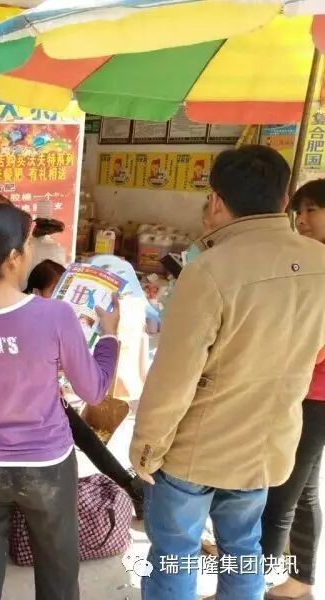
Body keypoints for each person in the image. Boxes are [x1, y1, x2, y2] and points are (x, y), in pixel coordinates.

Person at [129, 145, 325, 600]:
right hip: (266, 444)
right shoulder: (319, 263)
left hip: (196, 450)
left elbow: (173, 378)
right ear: (284, 200)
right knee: (243, 548)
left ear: (216, 201)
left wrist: (146, 449)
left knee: (176, 555)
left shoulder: (209, 269)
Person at [0, 203, 119, 600]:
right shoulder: (56, 317)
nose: (32, 250)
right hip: (47, 468)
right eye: (29, 243)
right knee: (57, 573)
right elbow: (94, 390)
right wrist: (109, 337)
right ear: (13, 257)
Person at [26, 259, 144, 517]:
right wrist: (108, 335)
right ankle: (130, 488)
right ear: (35, 292)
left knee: (85, 437)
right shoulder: (32, 323)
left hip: (49, 402)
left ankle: (131, 487)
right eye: (56, 291)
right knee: (80, 440)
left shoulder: (56, 321)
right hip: (34, 413)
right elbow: (92, 388)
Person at [261, 179, 325, 600]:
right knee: (304, 491)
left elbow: (313, 347)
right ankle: (300, 580)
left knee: (280, 493)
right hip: (308, 391)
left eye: (312, 210)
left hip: (314, 395)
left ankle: (246, 585)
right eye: (298, 211)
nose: (301, 219)